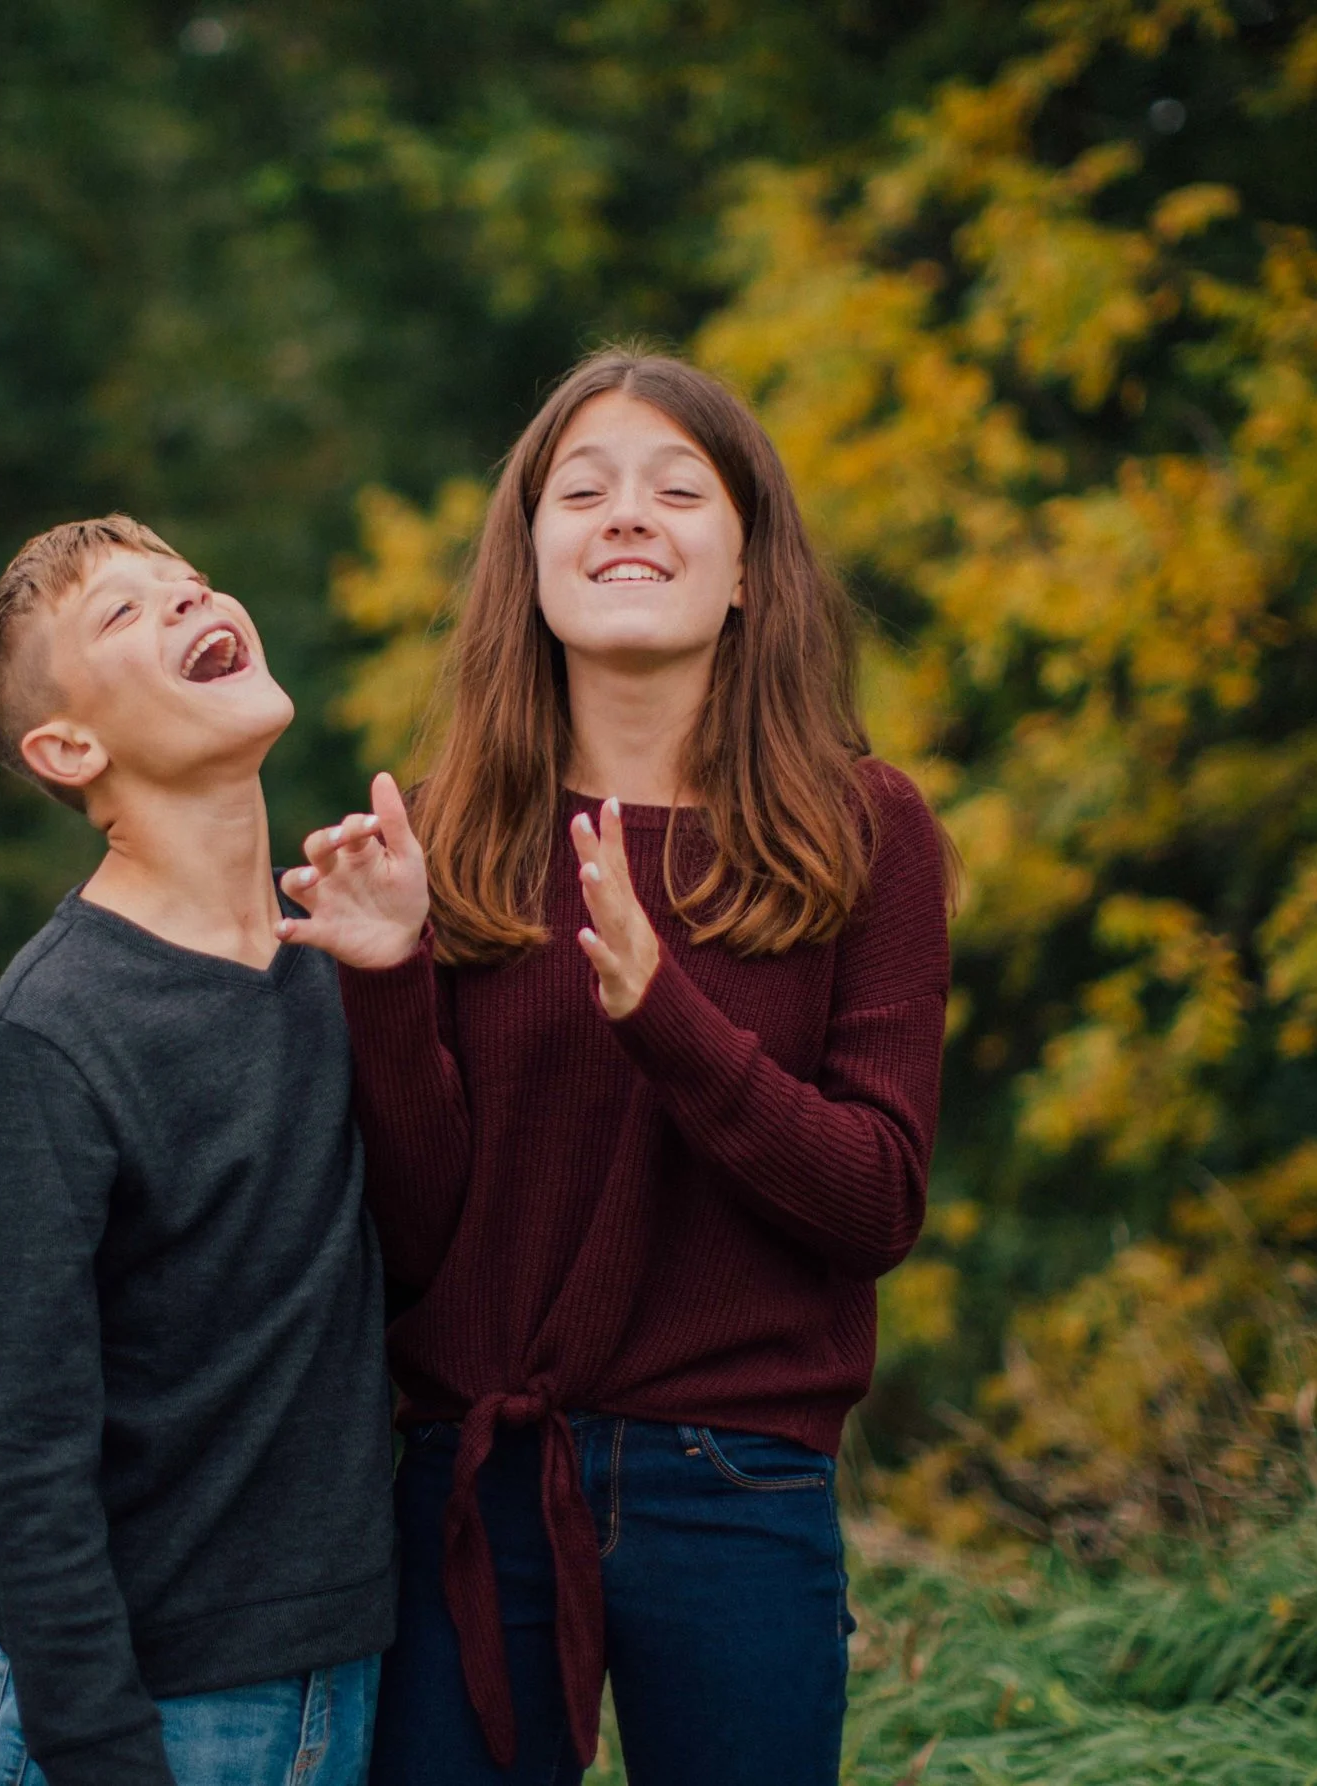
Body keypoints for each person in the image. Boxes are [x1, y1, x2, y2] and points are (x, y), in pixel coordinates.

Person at [278, 351, 953, 1784]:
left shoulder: (868, 831)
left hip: (739, 1482)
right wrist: (385, 983)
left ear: (749, 570)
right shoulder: (446, 837)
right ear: (528, 566)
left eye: (677, 490)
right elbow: (410, 1242)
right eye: (580, 491)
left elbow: (878, 1201)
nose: (626, 515)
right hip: (479, 1484)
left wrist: (669, 1017)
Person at [0, 516, 395, 1786]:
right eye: (125, 613)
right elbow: (33, 1463)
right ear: (68, 746)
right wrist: (105, 1756)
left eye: (190, 582)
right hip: (153, 1710)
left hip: (356, 1668)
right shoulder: (47, 1037)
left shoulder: (338, 961)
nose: (193, 600)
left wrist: (407, 980)